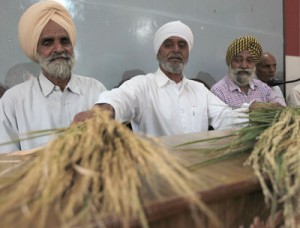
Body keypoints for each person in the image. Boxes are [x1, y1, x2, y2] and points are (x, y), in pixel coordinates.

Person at [73, 21, 255, 137]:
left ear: (187, 53)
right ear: (158, 52)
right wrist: (101, 112)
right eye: (168, 45)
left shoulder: (199, 90)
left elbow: (225, 117)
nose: (176, 49)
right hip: (155, 177)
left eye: (182, 45)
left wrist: (255, 111)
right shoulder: (143, 84)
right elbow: (119, 99)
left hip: (197, 175)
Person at [0, 1, 106, 153]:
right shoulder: (13, 102)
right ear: (35, 50)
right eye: (48, 42)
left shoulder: (95, 90)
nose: (59, 49)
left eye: (64, 41)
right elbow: (7, 165)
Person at [211, 36, 286, 109]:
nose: (244, 66)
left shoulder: (263, 88)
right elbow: (220, 120)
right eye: (238, 60)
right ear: (230, 63)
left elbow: (283, 111)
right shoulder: (218, 91)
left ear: (254, 65)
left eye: (249, 61)